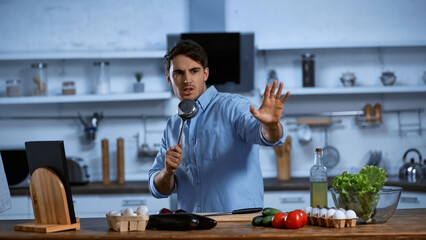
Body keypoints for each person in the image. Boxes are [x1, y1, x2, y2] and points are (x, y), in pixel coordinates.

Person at [148, 39, 290, 213]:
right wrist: (167, 171)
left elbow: (266, 136)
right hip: (192, 227)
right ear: (169, 79)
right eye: (179, 72)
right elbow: (158, 189)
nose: (187, 80)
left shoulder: (233, 106)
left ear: (205, 74)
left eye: (194, 71)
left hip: (238, 227)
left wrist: (271, 125)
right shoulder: (172, 125)